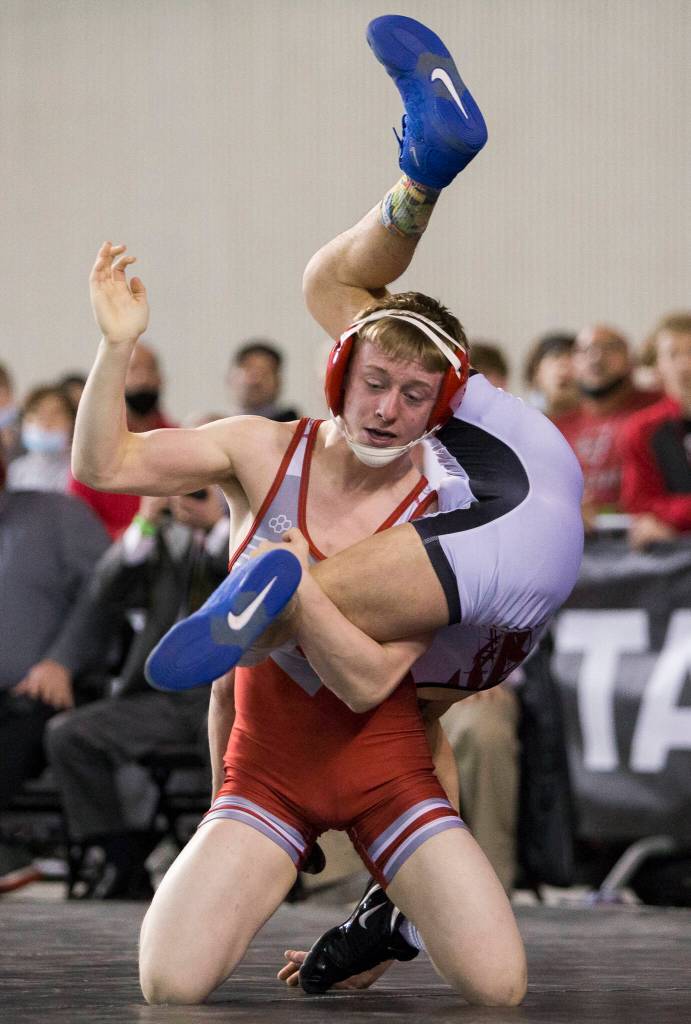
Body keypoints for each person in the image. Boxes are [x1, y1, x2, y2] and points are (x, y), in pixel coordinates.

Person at [73, 15, 582, 1006]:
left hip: (384, 744)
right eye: (374, 382)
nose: (387, 407)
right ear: (336, 372)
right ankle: (379, 908)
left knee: (499, 981)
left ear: (441, 409)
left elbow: (361, 684)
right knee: (170, 979)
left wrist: (294, 594)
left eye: (412, 394)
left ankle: (285, 594)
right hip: (280, 762)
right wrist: (114, 348)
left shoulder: (435, 500)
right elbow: (107, 460)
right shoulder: (265, 446)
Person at [45, 487, 230, 899]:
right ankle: (121, 857)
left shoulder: (245, 533)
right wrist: (145, 522)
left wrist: (218, 526)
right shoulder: (166, 541)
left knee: (227, 748)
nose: (191, 495)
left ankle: (222, 865)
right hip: (159, 696)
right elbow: (104, 590)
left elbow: (248, 579)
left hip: (226, 693)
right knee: (69, 735)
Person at [0, 450, 110, 892]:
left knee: (17, 726)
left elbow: (104, 595)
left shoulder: (58, 514)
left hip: (49, 691)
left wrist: (63, 660)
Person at [554, 324, 659, 526]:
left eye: (609, 347)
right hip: (582, 539)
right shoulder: (555, 428)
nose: (596, 358)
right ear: (573, 363)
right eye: (585, 351)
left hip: (653, 538)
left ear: (630, 360)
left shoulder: (657, 412)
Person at [68, 340, 175, 537]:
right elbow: (78, 521)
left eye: (150, 369)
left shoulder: (179, 439)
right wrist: (135, 534)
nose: (143, 379)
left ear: (161, 378)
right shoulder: (94, 447)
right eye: (133, 369)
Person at [619, 312, 691, 548]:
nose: (685, 365)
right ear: (657, 366)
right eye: (672, 355)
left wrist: (673, 518)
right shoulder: (641, 429)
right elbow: (639, 503)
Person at [6, 384, 75, 492]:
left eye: (55, 414)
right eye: (37, 412)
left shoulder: (78, 472)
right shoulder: (16, 470)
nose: (46, 422)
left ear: (72, 422)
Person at [227, 339, 300, 421]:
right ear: (230, 378)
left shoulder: (295, 429)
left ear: (278, 383)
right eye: (247, 369)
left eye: (264, 372)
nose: (255, 379)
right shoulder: (216, 427)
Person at [524, 331, 580, 419]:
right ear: (535, 373)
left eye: (571, 357)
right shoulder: (522, 422)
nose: (564, 365)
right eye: (555, 356)